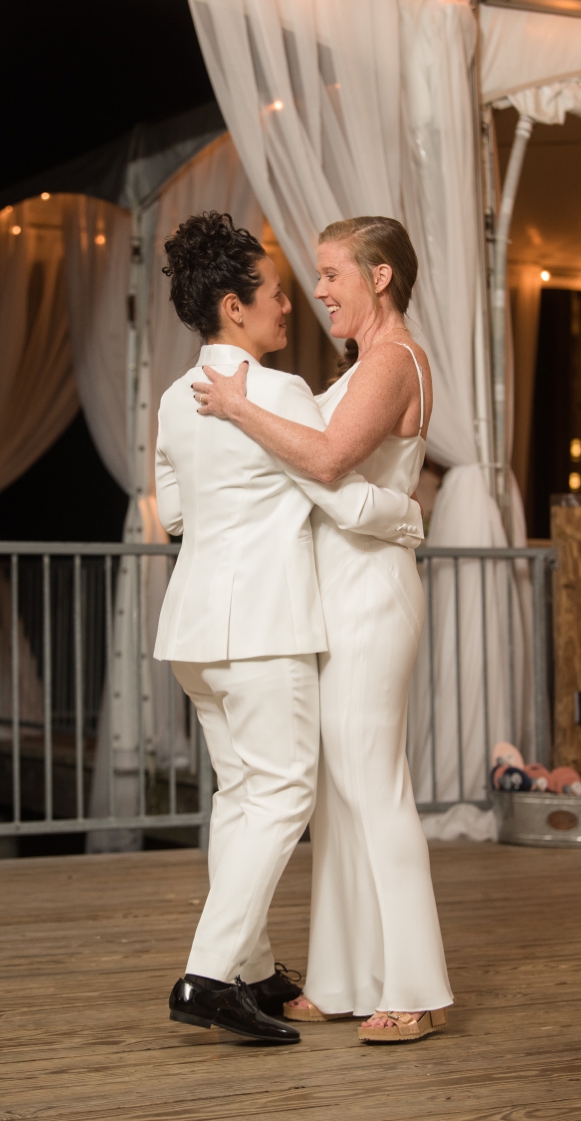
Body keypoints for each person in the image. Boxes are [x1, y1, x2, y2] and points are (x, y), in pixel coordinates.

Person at [154, 212, 425, 1045]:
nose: (295, 302)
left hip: (192, 630)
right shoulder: (278, 393)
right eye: (277, 291)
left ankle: (254, 967)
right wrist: (408, 514)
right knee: (280, 797)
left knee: (241, 797)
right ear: (234, 306)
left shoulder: (171, 399)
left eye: (315, 279)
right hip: (264, 627)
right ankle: (209, 974)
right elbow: (331, 485)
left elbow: (169, 513)